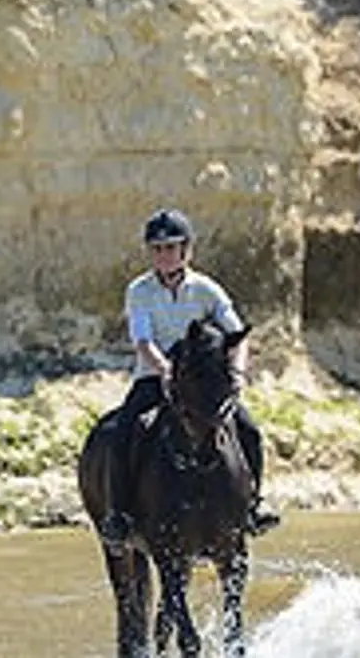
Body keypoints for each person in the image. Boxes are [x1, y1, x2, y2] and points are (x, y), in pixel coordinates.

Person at [94, 209, 280, 545]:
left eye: (170, 247)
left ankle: (254, 505)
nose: (163, 255)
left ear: (186, 250)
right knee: (122, 433)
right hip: (154, 378)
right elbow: (142, 340)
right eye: (157, 249)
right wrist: (165, 369)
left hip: (202, 385)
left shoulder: (207, 290)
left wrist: (237, 373)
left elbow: (237, 335)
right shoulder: (139, 291)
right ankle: (119, 515)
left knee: (249, 429)